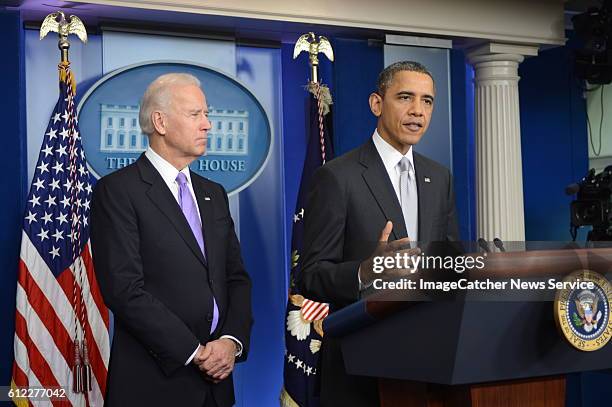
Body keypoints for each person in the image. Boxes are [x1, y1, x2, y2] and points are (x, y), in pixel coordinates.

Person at [298, 61, 460, 406]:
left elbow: (447, 263)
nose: (418, 111)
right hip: (361, 366)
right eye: (405, 97)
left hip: (429, 362)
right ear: (377, 104)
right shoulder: (337, 177)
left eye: (428, 101)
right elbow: (309, 275)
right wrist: (364, 271)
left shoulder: (439, 177)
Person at [91, 73, 252, 407]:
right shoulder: (118, 191)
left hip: (217, 388)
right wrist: (196, 352)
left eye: (207, 115)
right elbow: (123, 290)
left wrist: (230, 342)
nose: (208, 125)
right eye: (196, 115)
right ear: (160, 121)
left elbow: (235, 278)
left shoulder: (214, 194)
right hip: (153, 385)